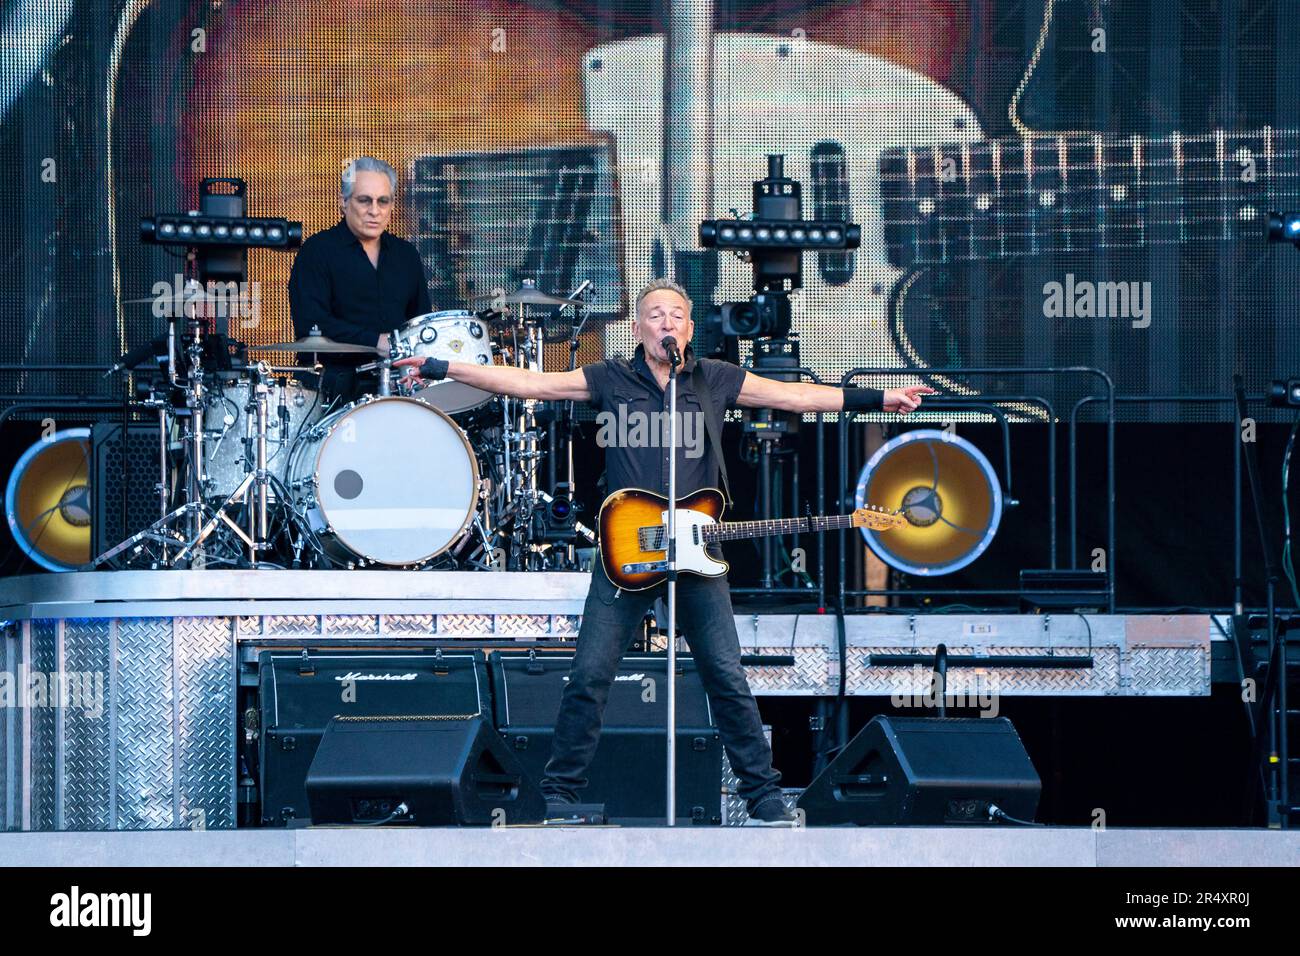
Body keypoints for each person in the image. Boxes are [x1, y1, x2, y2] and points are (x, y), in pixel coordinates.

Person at [395, 277, 936, 823]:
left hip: (696, 552)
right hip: (625, 550)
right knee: (589, 676)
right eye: (655, 315)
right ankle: (559, 795)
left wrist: (882, 396)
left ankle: (765, 798)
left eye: (676, 315)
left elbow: (796, 395)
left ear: (690, 328)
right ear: (638, 328)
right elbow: (532, 385)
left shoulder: (715, 379)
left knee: (726, 674)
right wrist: (445, 368)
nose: (667, 324)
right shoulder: (609, 377)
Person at [288, 156, 432, 404]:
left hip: (398, 386)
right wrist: (375, 341)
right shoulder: (317, 251)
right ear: (343, 202)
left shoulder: (406, 255)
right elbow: (310, 323)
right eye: (364, 200)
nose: (374, 211)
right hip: (333, 390)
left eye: (383, 201)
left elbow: (420, 321)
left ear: (392, 205)